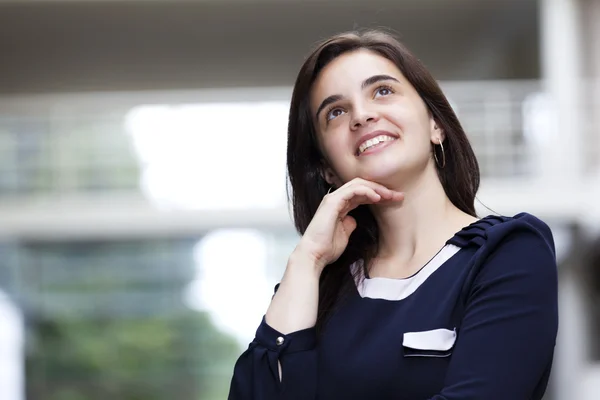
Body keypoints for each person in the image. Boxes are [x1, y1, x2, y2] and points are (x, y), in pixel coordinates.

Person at [228, 29, 559, 400]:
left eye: (382, 91)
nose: (362, 115)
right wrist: (307, 258)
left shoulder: (508, 252)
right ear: (327, 170)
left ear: (436, 124)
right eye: (335, 112)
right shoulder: (314, 286)